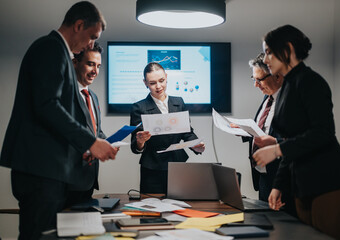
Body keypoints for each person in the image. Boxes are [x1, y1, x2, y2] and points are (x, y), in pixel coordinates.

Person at [0, 2, 118, 239]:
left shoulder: (57, 51)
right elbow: (47, 106)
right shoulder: (51, 48)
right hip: (40, 171)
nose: (91, 45)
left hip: (48, 171)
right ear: (78, 25)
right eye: (92, 37)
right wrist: (91, 142)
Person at [253, 24, 340, 240]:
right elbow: (293, 144)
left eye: (269, 52)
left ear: (289, 49)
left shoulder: (311, 82)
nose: (265, 59)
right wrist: (278, 186)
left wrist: (276, 150)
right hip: (304, 186)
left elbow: (323, 133)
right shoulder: (286, 88)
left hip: (331, 183)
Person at [232, 53, 296, 216]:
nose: (256, 85)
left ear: (277, 76)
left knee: (285, 228)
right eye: (253, 79)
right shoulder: (269, 97)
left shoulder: (293, 101)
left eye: (259, 80)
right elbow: (265, 130)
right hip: (264, 176)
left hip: (284, 180)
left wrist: (275, 142)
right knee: (267, 224)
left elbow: (301, 141)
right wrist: (244, 131)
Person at [130, 62, 205, 194]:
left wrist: (196, 144)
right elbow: (135, 146)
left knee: (180, 207)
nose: (158, 86)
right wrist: (140, 141)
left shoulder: (179, 102)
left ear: (166, 76)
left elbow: (187, 132)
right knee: (151, 209)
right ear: (145, 83)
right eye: (152, 83)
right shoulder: (139, 107)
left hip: (177, 164)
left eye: (161, 81)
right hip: (152, 168)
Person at [66, 42, 107, 206]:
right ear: (75, 63)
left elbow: (96, 132)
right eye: (90, 64)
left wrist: (108, 143)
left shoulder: (93, 96)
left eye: (98, 66)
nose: (95, 71)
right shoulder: (64, 93)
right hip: (67, 179)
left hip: (88, 179)